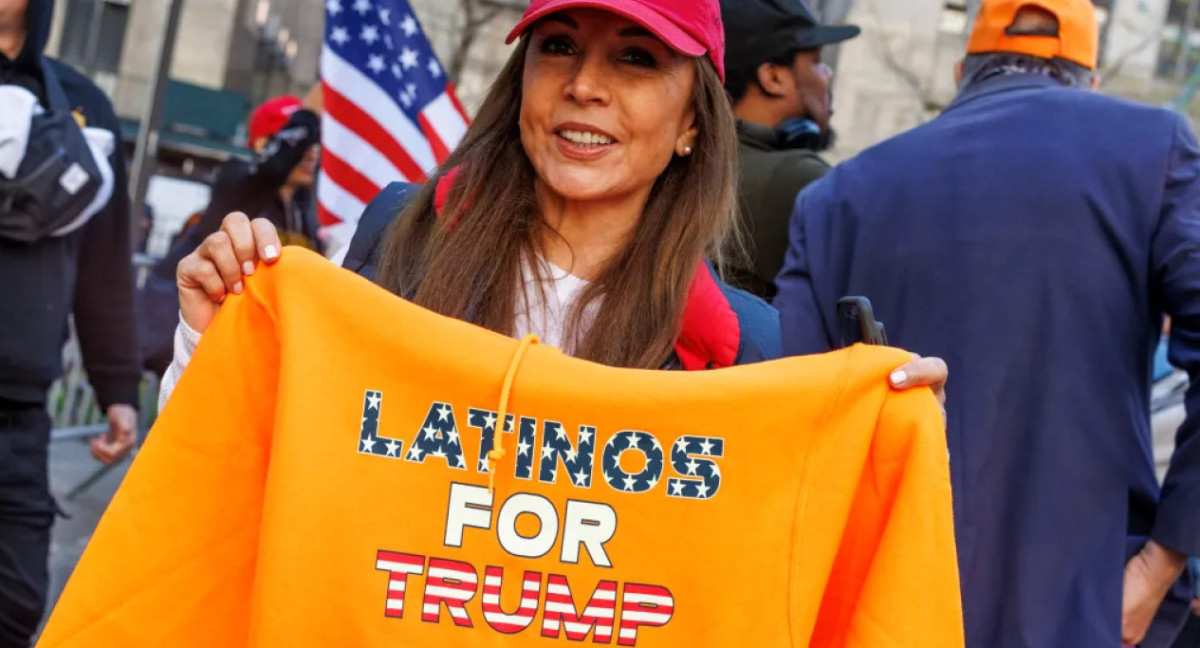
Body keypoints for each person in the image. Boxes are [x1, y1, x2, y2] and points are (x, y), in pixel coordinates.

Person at [161, 0, 946, 432]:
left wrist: (894, 453)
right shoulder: (396, 239)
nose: (584, 85)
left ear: (692, 124)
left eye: (636, 57)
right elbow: (252, 457)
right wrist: (207, 336)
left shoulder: (752, 351)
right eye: (560, 45)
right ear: (523, 79)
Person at [774, 0, 1200, 646]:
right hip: (1085, 608)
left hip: (884, 608)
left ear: (959, 72)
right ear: (1090, 81)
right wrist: (1160, 565)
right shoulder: (1153, 150)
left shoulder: (837, 197)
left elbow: (793, 424)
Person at [0, 0, 140, 643]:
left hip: (19, 408)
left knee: (17, 604)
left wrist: (117, 389)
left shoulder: (82, 104)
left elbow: (105, 261)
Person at [138, 93, 321, 376]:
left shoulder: (302, 209)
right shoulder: (238, 180)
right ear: (263, 144)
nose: (311, 153)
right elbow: (273, 167)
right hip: (212, 350)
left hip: (268, 356)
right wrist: (309, 115)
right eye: (302, 144)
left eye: (314, 146)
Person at [718, 0, 858, 301]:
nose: (827, 74)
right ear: (774, 78)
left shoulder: (692, 160)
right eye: (816, 61)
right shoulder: (800, 179)